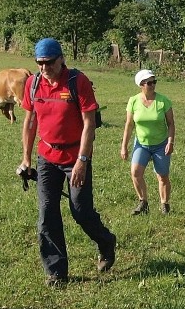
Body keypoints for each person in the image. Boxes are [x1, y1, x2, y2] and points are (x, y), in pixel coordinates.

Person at [18, 38, 116, 287]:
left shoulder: (76, 82)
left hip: (75, 157)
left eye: (48, 62)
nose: (44, 68)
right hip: (47, 157)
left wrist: (82, 160)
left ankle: (106, 242)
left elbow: (89, 123)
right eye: (39, 63)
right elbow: (30, 122)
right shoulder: (33, 84)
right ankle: (56, 271)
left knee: (80, 210)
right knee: (46, 213)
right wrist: (26, 158)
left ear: (61, 58)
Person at [121, 69, 175, 215]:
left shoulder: (163, 101)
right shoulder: (133, 101)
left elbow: (171, 124)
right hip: (142, 144)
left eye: (154, 82)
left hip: (161, 144)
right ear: (141, 85)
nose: (152, 85)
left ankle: (165, 204)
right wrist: (124, 146)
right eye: (149, 83)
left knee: (162, 176)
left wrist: (170, 142)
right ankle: (143, 202)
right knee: (135, 172)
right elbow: (129, 125)